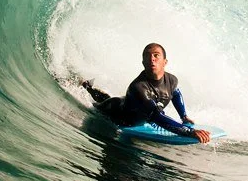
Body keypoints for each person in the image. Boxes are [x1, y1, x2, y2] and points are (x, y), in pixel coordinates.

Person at [82, 43, 211, 143]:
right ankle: (86, 87)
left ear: (165, 62)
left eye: (156, 55)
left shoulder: (172, 80)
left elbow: (175, 93)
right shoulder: (138, 88)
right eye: (147, 56)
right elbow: (156, 116)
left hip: (126, 103)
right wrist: (189, 132)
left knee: (106, 98)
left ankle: (88, 86)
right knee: (95, 105)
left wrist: (184, 116)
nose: (152, 59)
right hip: (115, 111)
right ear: (143, 62)